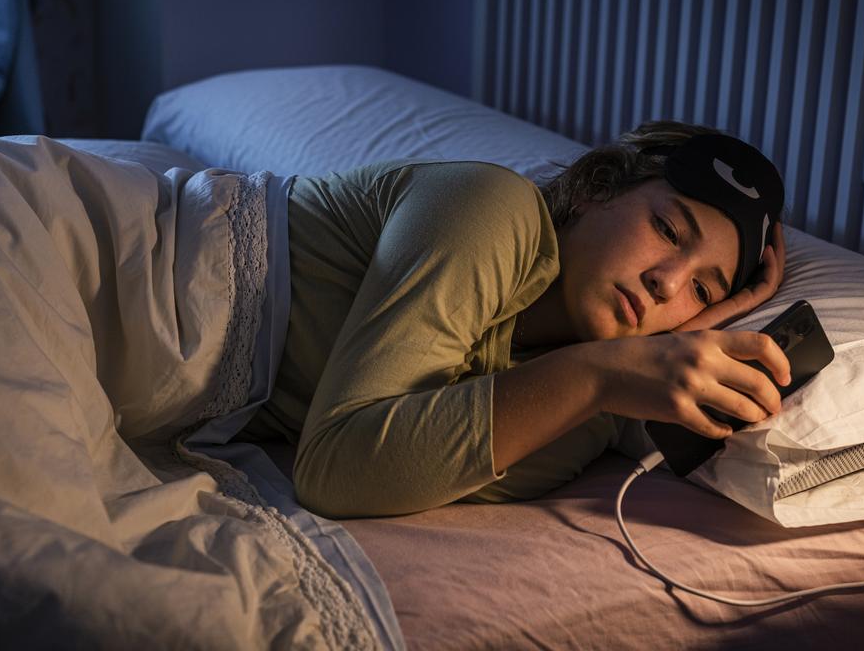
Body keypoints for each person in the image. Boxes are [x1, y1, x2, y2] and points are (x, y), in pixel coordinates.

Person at [242, 120, 792, 518]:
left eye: (701, 289)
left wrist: (636, 362)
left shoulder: (571, 388)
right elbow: (335, 472)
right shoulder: (491, 208)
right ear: (597, 187)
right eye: (668, 231)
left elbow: (423, 470)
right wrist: (602, 376)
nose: (668, 283)